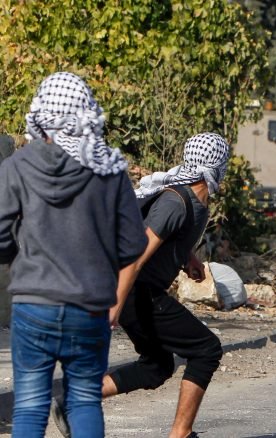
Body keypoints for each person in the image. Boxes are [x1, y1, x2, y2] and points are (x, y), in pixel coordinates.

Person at [0, 71, 147, 437]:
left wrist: (22, 254)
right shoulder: (108, 167)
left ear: (41, 112)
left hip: (33, 305)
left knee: (29, 406)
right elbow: (133, 244)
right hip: (90, 307)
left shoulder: (17, 166)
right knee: (83, 401)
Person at [76, 133, 228, 438]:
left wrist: (188, 258)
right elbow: (135, 257)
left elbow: (166, 236)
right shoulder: (176, 202)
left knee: (156, 367)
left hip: (139, 291)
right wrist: (115, 306)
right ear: (216, 166)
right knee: (206, 349)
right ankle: (180, 434)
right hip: (135, 291)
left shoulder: (195, 201)